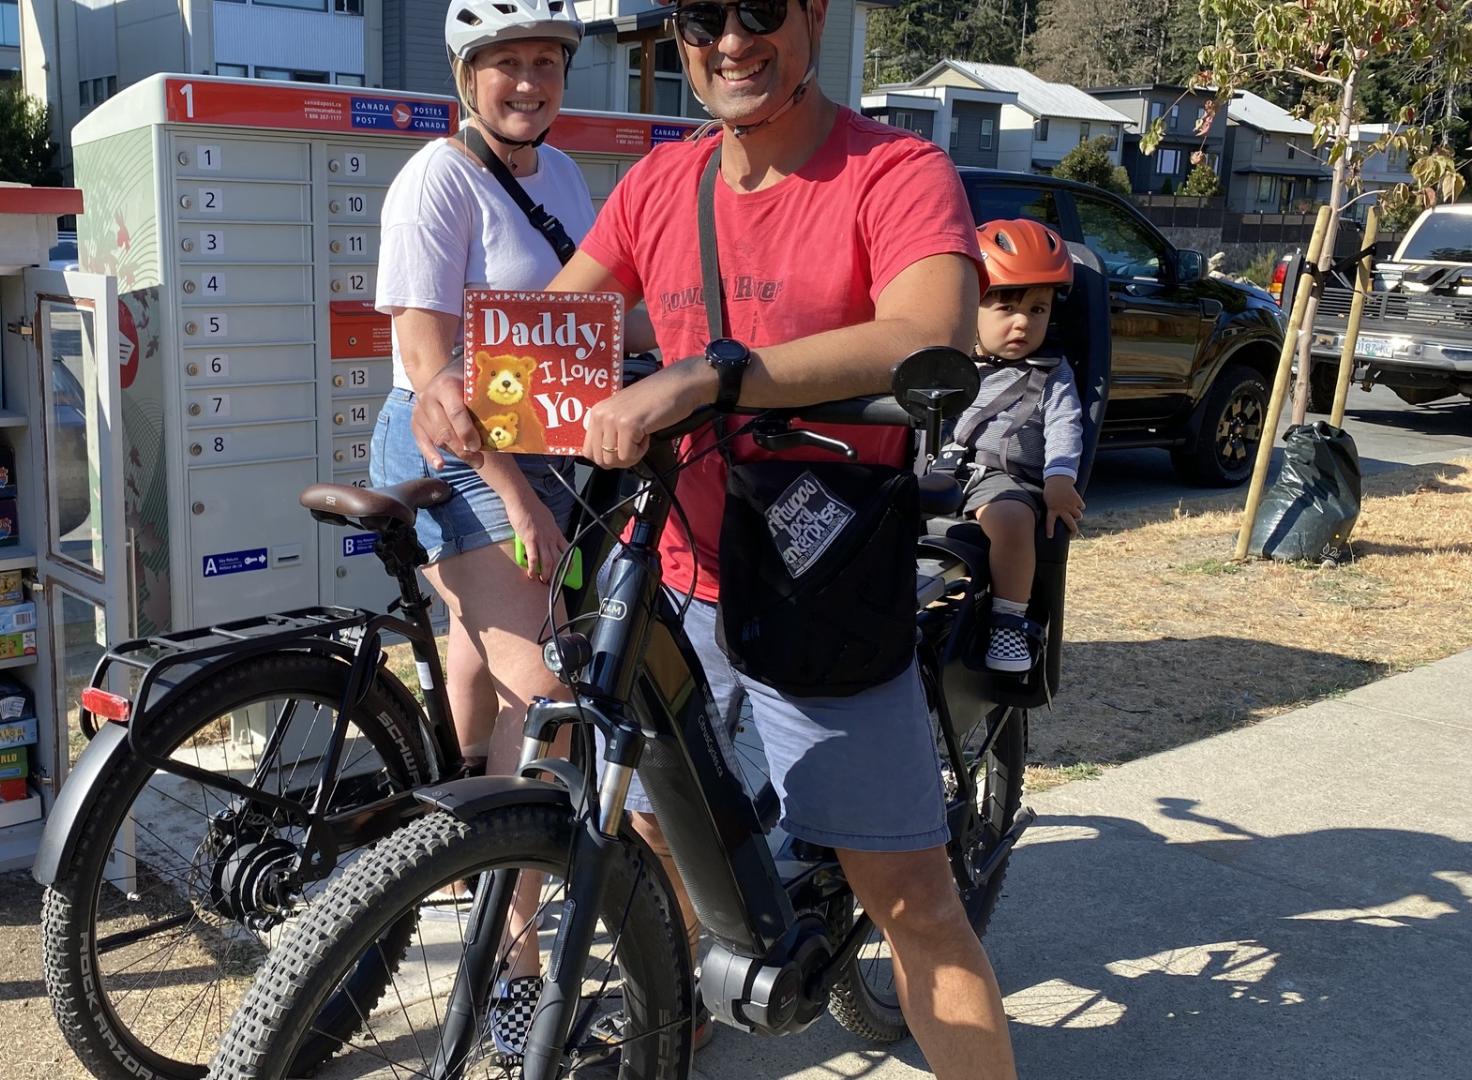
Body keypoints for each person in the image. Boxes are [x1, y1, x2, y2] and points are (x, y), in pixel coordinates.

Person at [407, 0, 1021, 1075]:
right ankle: (679, 1019)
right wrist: (461, 392)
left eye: (759, 9)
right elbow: (553, 332)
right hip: (678, 578)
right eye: (700, 15)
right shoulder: (661, 183)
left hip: (818, 582)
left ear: (813, 15)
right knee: (651, 831)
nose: (730, 39)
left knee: (913, 900)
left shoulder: (895, 170)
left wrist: (711, 372)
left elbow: (930, 329)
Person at [367, 0, 596, 1057]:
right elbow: (431, 372)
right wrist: (519, 499)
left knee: (474, 686)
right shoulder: (438, 178)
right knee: (540, 702)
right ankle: (514, 970)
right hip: (453, 455)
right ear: (466, 75)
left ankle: (450, 855)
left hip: (535, 446)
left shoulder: (561, 176)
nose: (530, 82)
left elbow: (579, 325)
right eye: (507, 63)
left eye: (546, 61)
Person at [948, 218, 1086, 673]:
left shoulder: (1052, 373)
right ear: (972, 306)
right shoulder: (950, 358)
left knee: (1010, 521)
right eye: (1007, 309)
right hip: (939, 471)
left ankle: (1008, 623)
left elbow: (1066, 427)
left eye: (1039, 310)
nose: (1024, 322)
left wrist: (1060, 479)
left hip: (1003, 481)